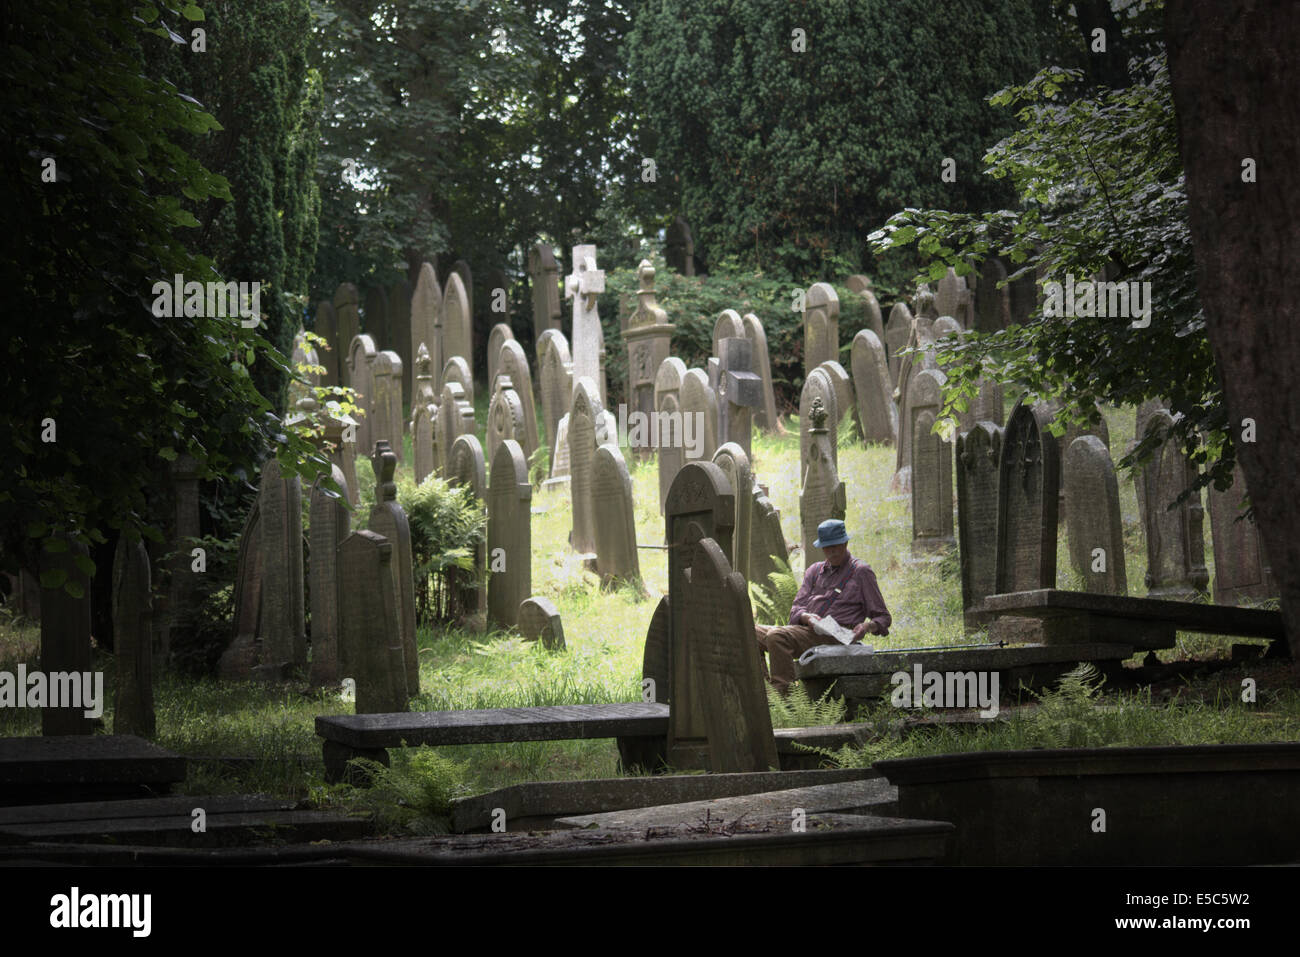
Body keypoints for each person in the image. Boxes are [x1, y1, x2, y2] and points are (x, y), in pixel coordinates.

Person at [755, 519, 891, 694]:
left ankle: (783, 698)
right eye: (827, 547)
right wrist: (807, 618)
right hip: (807, 630)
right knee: (750, 633)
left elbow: (883, 617)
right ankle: (764, 693)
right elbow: (796, 609)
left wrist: (866, 626)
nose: (832, 552)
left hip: (838, 635)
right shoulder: (814, 571)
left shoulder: (861, 572)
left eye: (836, 546)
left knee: (777, 636)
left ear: (845, 542)